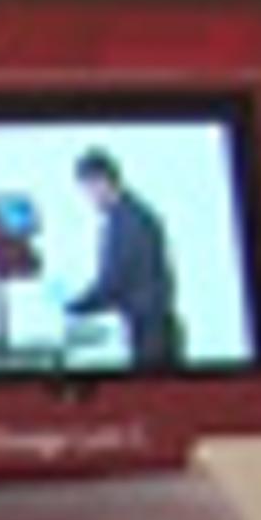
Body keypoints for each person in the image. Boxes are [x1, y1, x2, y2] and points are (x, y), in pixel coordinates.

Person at [63, 146, 182, 372]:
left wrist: (74, 307)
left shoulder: (127, 221)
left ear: (102, 182)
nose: (88, 198)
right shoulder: (133, 214)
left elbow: (114, 280)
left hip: (151, 333)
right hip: (151, 326)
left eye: (88, 189)